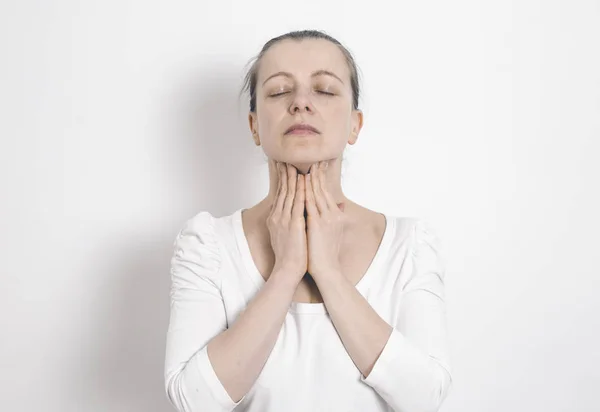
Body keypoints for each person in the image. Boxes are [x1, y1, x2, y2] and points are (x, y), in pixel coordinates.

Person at [164, 29, 453, 412]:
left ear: (355, 124)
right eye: (280, 91)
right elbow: (192, 401)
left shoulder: (408, 244)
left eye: (325, 90)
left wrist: (328, 273)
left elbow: (425, 398)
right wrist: (286, 270)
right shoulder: (207, 245)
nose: (301, 103)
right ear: (254, 125)